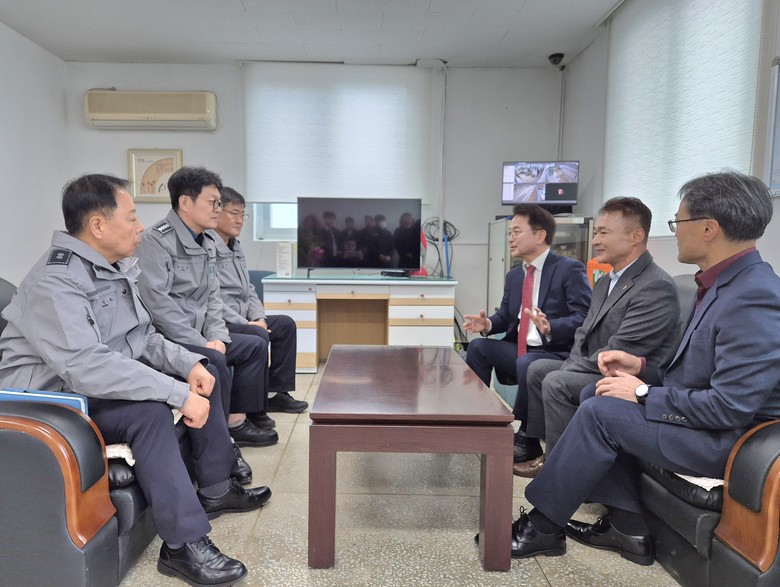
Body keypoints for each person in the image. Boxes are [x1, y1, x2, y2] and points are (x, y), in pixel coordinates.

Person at [0, 174, 271, 586]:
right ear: (98, 226)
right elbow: (86, 365)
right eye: (131, 218)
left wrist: (188, 365)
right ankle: (183, 546)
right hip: (48, 401)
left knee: (203, 370)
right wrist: (175, 393)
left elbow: (141, 337)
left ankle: (217, 488)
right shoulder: (56, 281)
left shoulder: (109, 269)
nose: (140, 227)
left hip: (84, 386)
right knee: (150, 413)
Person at [498, 170, 780, 566]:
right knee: (594, 390)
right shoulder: (722, 284)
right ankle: (627, 527)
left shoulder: (754, 296)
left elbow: (729, 407)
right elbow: (698, 372)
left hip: (731, 442)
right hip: (709, 424)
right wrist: (641, 367)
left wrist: (643, 392)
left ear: (708, 228)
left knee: (600, 411)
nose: (675, 232)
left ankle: (543, 526)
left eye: (678, 222)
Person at [514, 197, 680, 478]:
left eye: (603, 233)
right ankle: (549, 452)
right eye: (595, 232)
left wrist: (569, 368)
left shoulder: (655, 286)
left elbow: (620, 351)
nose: (595, 241)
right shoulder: (606, 281)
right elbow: (583, 333)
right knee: (538, 369)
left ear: (636, 236)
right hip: (597, 366)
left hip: (630, 377)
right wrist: (571, 363)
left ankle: (561, 470)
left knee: (557, 380)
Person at [135, 166, 278, 452]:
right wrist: (202, 342)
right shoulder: (155, 241)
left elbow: (213, 297)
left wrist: (217, 336)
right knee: (214, 358)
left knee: (253, 345)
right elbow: (159, 305)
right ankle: (222, 443)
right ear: (185, 202)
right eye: (212, 203)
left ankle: (237, 420)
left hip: (203, 333)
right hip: (172, 337)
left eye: (219, 203)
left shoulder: (207, 240)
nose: (218, 210)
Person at [464, 205, 592, 465]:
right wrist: (487, 323)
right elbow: (505, 318)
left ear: (540, 235)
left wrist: (551, 326)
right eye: (509, 233)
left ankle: (528, 438)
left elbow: (585, 316)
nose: (510, 238)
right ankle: (478, 420)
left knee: (528, 363)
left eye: (516, 232)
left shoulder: (569, 269)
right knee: (478, 347)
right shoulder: (515, 275)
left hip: (555, 351)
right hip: (522, 349)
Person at [212, 186, 308, 414]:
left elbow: (249, 288)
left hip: (244, 318)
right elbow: (211, 299)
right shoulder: (207, 247)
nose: (239, 220)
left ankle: (276, 393)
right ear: (217, 211)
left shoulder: (235, 246)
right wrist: (247, 323)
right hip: (222, 321)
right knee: (257, 334)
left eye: (242, 214)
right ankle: (252, 410)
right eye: (234, 213)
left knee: (284, 324)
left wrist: (259, 317)